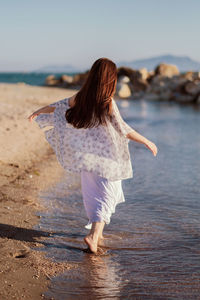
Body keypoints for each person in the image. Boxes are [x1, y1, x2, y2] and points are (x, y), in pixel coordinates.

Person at [28, 57, 158, 253]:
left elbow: (59, 105)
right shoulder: (107, 102)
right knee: (108, 195)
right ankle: (93, 236)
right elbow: (123, 129)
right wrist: (147, 141)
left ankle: (98, 233)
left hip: (87, 159)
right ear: (110, 79)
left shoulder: (82, 97)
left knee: (93, 194)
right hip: (106, 161)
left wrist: (39, 110)